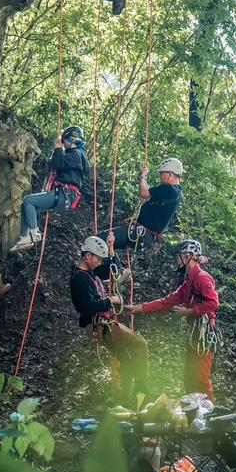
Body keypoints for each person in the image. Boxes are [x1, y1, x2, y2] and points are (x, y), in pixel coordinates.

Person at [126, 238, 219, 401]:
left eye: (179, 256)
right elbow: (167, 302)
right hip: (195, 335)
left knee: (200, 377)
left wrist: (188, 311)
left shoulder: (202, 278)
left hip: (204, 334)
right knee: (189, 376)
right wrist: (139, 308)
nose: (177, 260)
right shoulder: (188, 282)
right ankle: (193, 411)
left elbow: (213, 303)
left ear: (189, 256)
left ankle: (209, 413)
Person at [70, 235, 149, 403]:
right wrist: (111, 300)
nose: (99, 263)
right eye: (97, 259)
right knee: (140, 344)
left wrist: (111, 246)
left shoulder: (89, 272)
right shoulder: (79, 278)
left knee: (126, 361)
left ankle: (125, 400)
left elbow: (112, 268)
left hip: (104, 325)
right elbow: (86, 306)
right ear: (88, 256)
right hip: (102, 325)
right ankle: (143, 386)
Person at [10, 125, 90, 253]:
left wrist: (58, 149)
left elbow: (57, 163)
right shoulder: (80, 157)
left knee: (28, 201)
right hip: (66, 196)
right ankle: (25, 237)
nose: (63, 144)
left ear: (70, 140)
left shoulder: (76, 154)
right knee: (28, 206)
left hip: (64, 194)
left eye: (64, 142)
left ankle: (32, 234)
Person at [105, 157, 184, 256]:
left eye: (162, 173)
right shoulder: (175, 192)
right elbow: (148, 195)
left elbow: (144, 193)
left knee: (102, 239)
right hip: (143, 234)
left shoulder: (170, 189)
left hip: (142, 233)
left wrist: (142, 176)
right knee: (108, 244)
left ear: (169, 174)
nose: (160, 176)